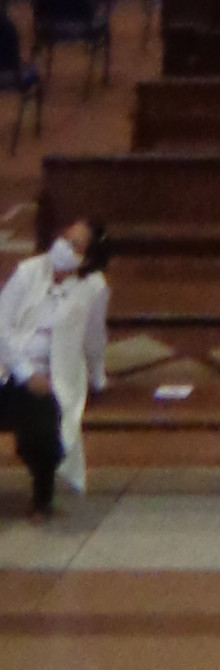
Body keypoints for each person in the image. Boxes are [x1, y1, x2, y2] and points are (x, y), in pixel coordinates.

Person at [0, 219, 109, 515]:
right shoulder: (29, 272)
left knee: (43, 418)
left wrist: (97, 378)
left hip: (49, 378)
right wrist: (23, 371)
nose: (64, 246)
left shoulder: (93, 288)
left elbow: (94, 338)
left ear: (87, 258)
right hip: (8, 367)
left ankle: (42, 496)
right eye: (65, 237)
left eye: (75, 245)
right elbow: (2, 326)